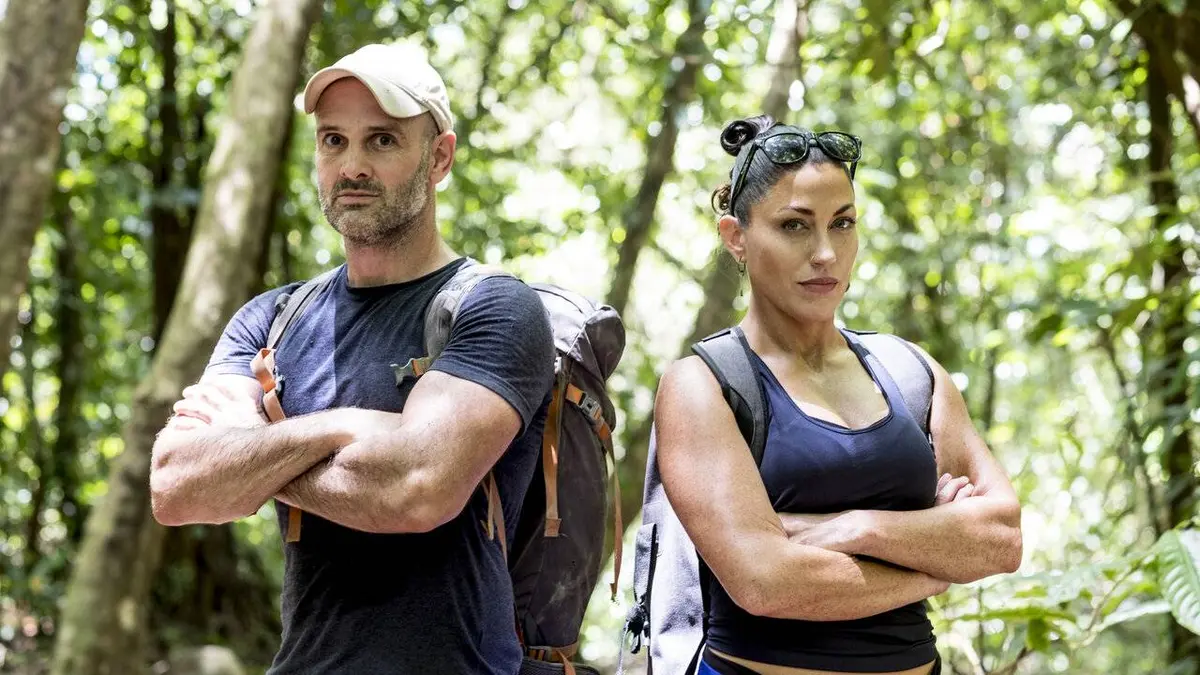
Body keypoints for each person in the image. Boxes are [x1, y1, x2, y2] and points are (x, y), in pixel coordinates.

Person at [149, 43, 555, 675]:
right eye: (333, 140)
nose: (352, 166)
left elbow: (417, 491)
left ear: (439, 157)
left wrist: (256, 445)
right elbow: (176, 485)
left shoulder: (495, 308)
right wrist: (348, 428)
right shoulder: (271, 320)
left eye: (382, 141)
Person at [652, 115, 1023, 675]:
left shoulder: (909, 371)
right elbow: (766, 583)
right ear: (736, 237)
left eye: (842, 223)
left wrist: (859, 528)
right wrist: (937, 563)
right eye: (794, 226)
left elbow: (1001, 539)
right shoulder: (705, 384)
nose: (825, 252)